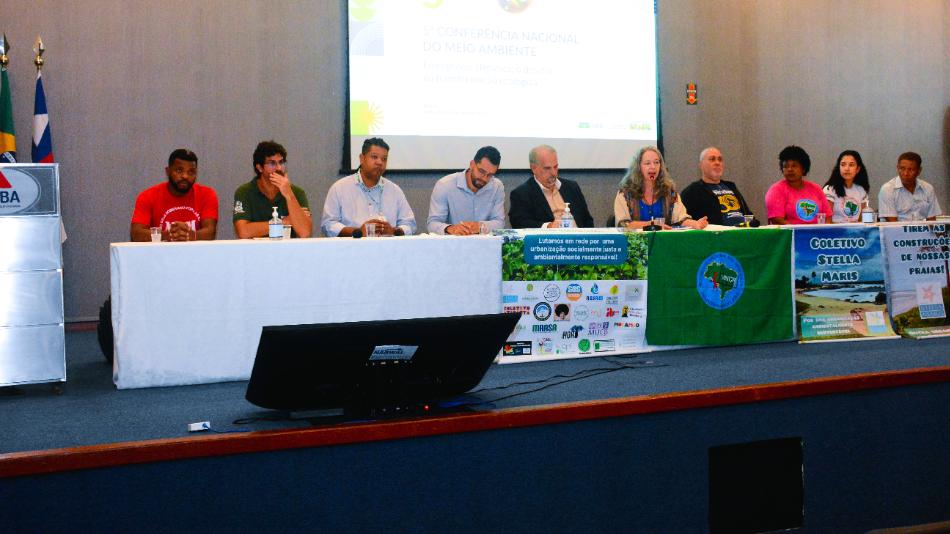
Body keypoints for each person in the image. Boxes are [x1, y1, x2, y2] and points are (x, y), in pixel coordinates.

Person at [321, 137, 416, 237]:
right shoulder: (339, 188)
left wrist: (394, 231)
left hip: (388, 246)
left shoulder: (395, 191)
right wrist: (357, 232)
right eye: (374, 157)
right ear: (362, 158)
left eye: (384, 159)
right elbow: (328, 224)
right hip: (352, 246)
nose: (380, 162)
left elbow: (410, 224)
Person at [130, 148, 218, 242]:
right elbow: (136, 234)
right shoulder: (148, 196)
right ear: (168, 171)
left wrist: (192, 235)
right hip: (160, 252)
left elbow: (210, 232)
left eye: (191, 172)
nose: (185, 176)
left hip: (196, 252)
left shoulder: (207, 195)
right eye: (179, 170)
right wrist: (167, 235)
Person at [614, 146, 708, 230]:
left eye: (656, 162)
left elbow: (680, 218)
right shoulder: (625, 193)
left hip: (664, 241)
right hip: (635, 242)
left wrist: (695, 224)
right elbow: (623, 224)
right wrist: (651, 224)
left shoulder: (669, 192)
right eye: (647, 163)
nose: (653, 167)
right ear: (638, 167)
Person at [233, 140, 312, 238]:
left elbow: (305, 232)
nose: (279, 168)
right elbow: (243, 232)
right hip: (256, 247)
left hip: (288, 247)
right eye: (272, 163)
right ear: (259, 168)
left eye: (281, 162)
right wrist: (284, 222)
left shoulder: (296, 192)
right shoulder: (245, 192)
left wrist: (289, 194)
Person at [508, 144, 594, 228]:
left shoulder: (572, 187)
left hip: (578, 236)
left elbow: (587, 220)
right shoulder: (521, 194)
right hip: (550, 237)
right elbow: (519, 223)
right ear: (534, 168)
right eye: (547, 168)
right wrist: (548, 226)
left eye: (555, 167)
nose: (553, 173)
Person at [427, 146, 506, 235]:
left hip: (485, 242)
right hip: (454, 241)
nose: (484, 178)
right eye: (481, 171)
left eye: (490, 175)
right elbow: (432, 224)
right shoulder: (445, 185)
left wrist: (480, 226)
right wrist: (450, 228)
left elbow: (500, 223)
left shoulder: (497, 187)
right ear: (472, 164)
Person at [680, 147, 758, 227]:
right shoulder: (692, 191)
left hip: (744, 230)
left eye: (720, 159)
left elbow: (747, 214)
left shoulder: (731, 186)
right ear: (701, 165)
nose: (717, 163)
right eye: (712, 159)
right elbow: (682, 221)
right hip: (718, 233)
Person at [765, 145, 832, 225]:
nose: (790, 169)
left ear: (803, 169)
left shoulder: (816, 189)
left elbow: (828, 217)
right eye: (786, 166)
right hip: (790, 232)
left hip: (817, 232)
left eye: (794, 166)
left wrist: (822, 231)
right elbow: (777, 220)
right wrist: (799, 231)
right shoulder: (776, 190)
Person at [878, 152, 942, 222]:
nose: (906, 173)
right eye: (902, 168)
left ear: (919, 171)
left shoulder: (928, 188)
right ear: (897, 168)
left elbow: (932, 221)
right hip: (897, 228)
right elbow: (892, 224)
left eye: (911, 169)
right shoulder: (887, 189)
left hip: (923, 228)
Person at [822, 150, 870, 223]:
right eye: (843, 164)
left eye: (851, 165)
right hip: (835, 229)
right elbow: (827, 221)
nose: (846, 169)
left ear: (858, 169)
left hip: (856, 229)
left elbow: (862, 220)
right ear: (839, 167)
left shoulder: (861, 190)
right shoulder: (830, 189)